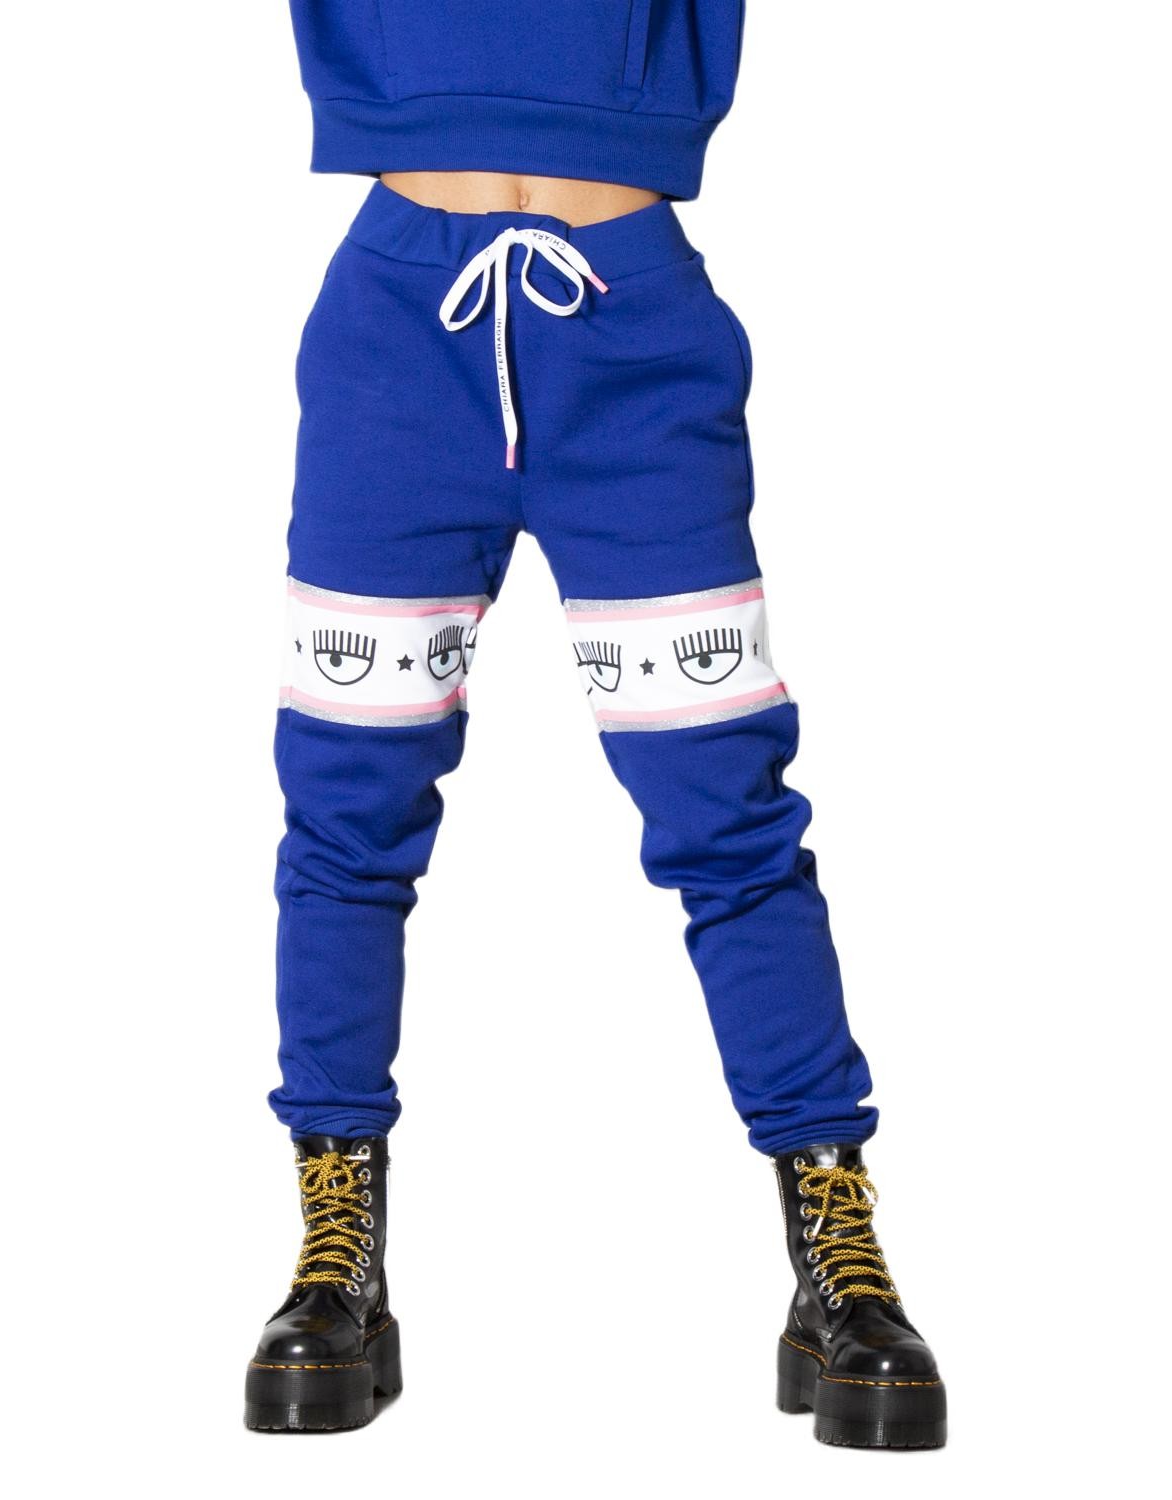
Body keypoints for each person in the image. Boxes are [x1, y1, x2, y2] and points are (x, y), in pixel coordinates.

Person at [243, 2, 946, 1449]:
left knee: (726, 810)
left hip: (634, 328)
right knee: (348, 804)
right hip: (397, 332)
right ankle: (337, 1250)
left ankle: (836, 1252)